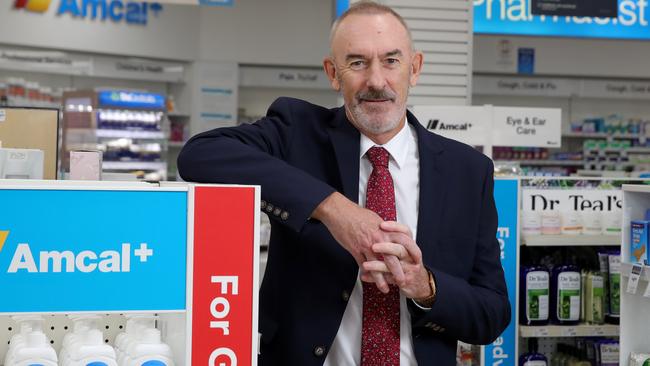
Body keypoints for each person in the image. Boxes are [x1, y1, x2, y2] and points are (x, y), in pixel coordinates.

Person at [177, 2, 510, 365]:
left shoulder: (468, 171)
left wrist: (425, 287)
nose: (376, 81)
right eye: (357, 62)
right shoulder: (297, 133)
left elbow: (491, 314)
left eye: (391, 61)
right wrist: (334, 209)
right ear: (333, 73)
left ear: (414, 69)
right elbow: (200, 155)